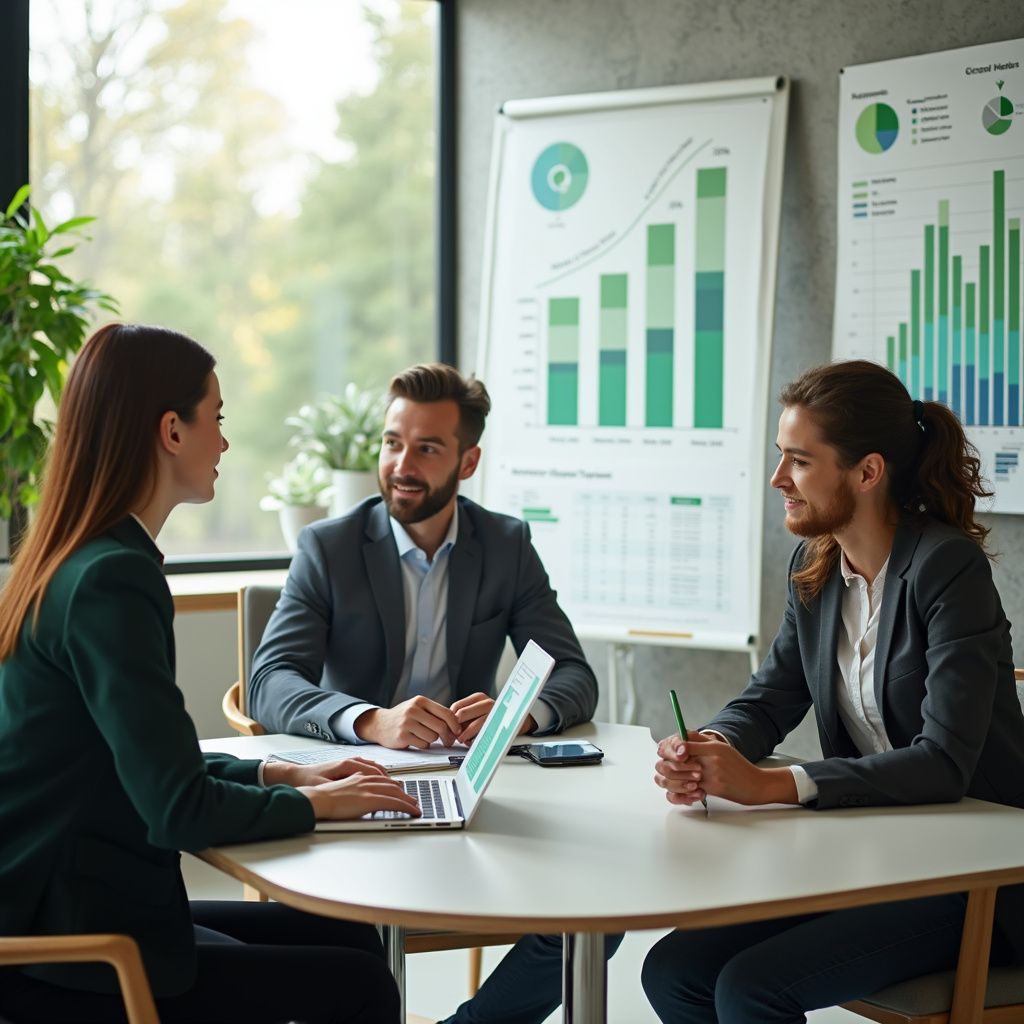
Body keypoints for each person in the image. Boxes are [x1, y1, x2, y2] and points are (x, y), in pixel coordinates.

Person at [0, 323, 422, 1024]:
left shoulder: (75, 557)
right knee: (362, 988)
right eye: (216, 419)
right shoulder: (113, 579)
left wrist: (279, 775)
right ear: (172, 429)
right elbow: (177, 810)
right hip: (70, 948)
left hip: (66, 910)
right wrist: (321, 805)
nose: (223, 442)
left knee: (350, 939)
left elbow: (144, 768)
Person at [643, 359, 1024, 1024]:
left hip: (976, 879)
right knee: (673, 970)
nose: (777, 480)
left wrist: (773, 785)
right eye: (779, 457)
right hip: (874, 859)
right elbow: (768, 700)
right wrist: (710, 747)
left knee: (749, 988)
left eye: (798, 461)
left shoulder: (945, 569)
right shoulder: (816, 567)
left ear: (867, 472)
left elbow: (944, 761)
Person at [249, 362, 620, 1024]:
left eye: (427, 448)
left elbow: (573, 674)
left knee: (600, 912)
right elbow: (271, 681)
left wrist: (518, 716)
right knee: (353, 951)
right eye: (393, 443)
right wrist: (369, 721)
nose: (401, 465)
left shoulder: (505, 544)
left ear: (468, 461)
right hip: (360, 792)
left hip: (471, 796)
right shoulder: (328, 547)